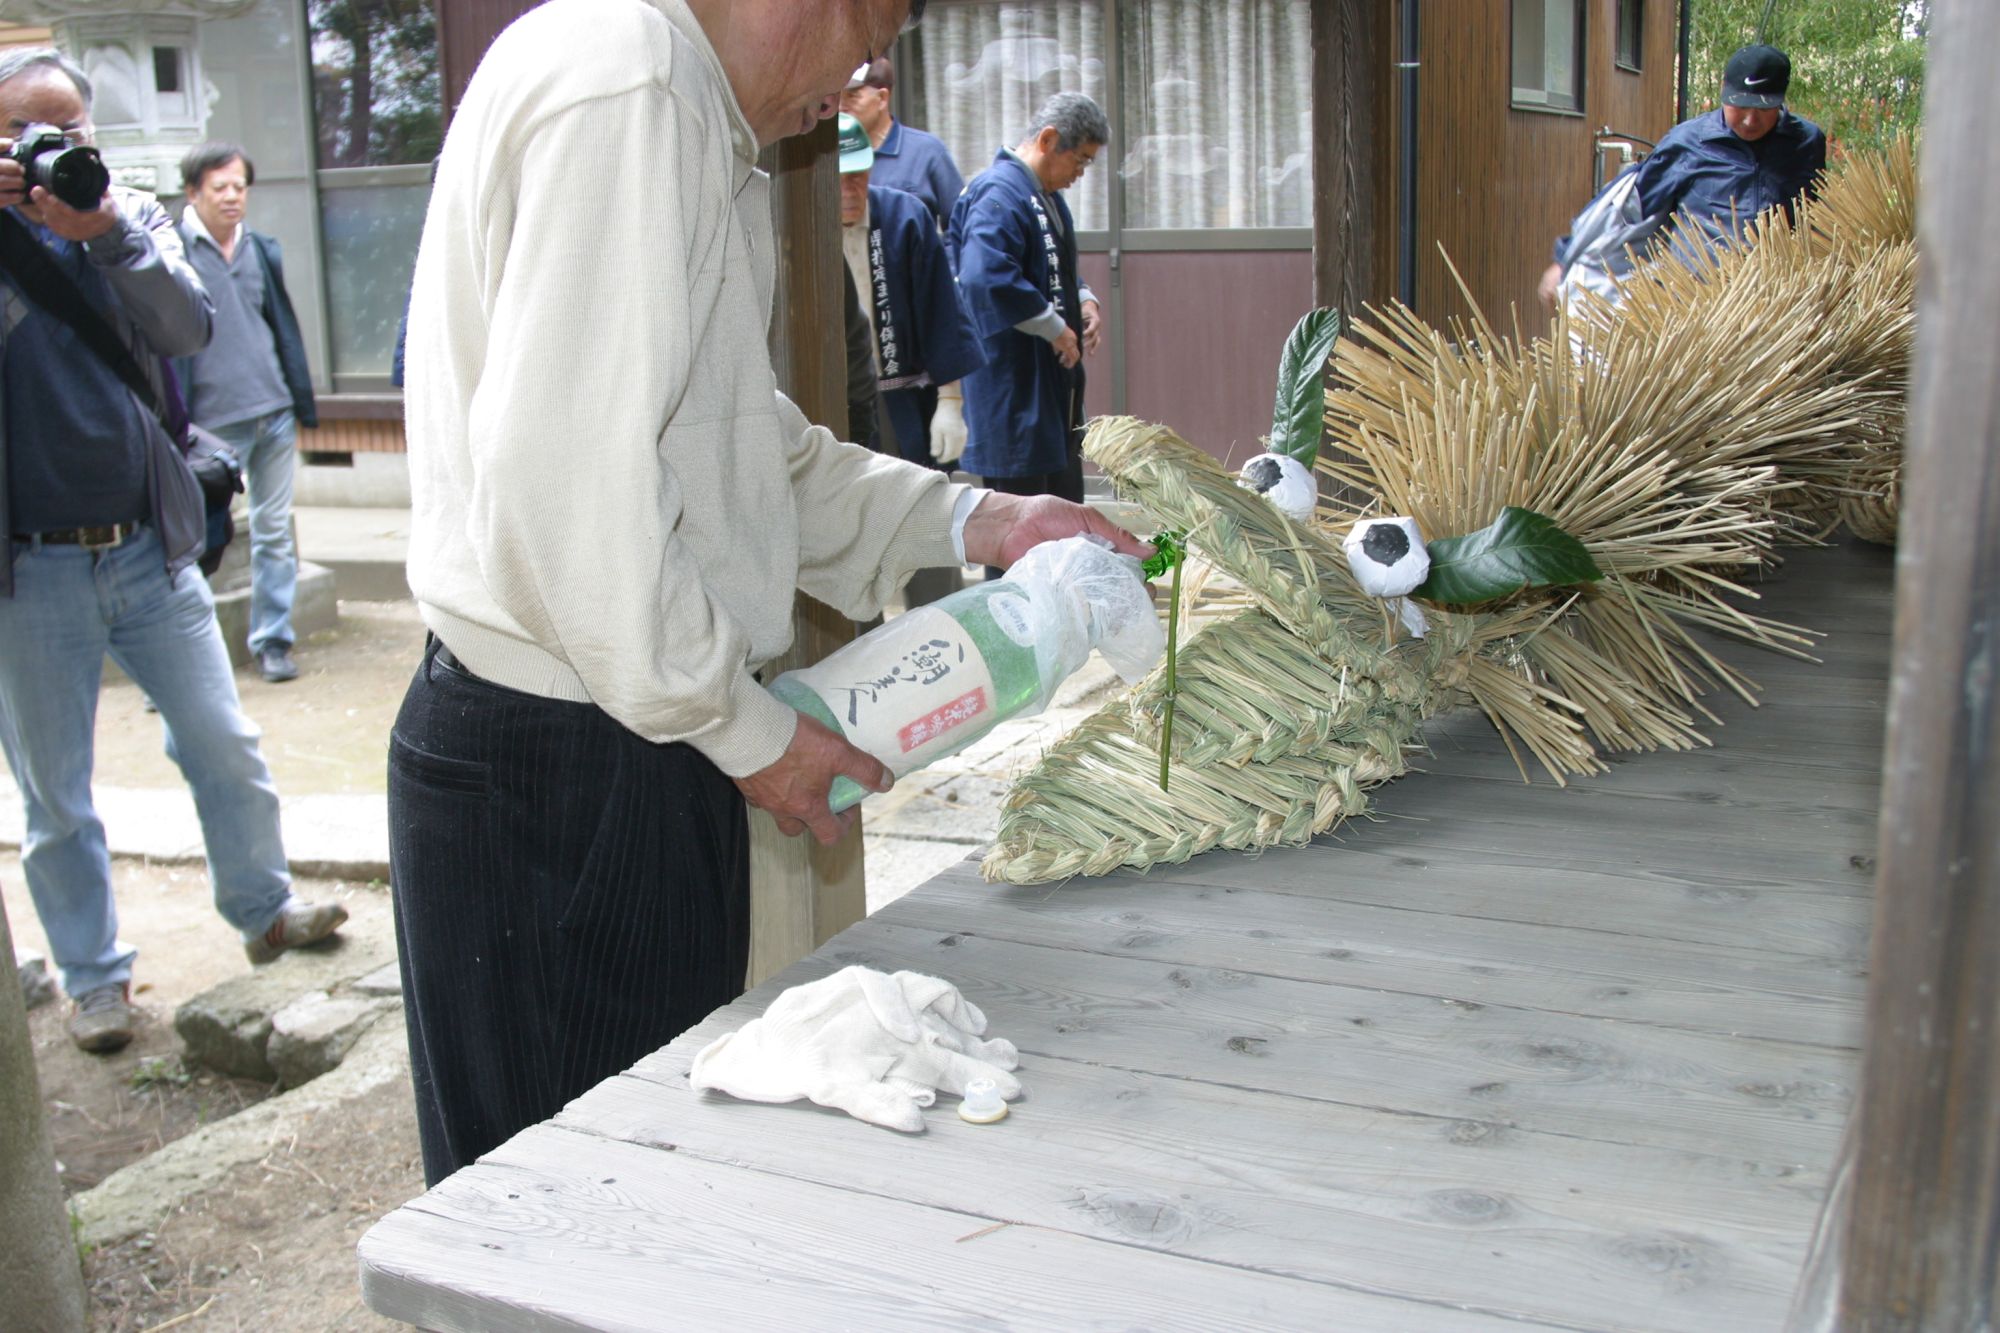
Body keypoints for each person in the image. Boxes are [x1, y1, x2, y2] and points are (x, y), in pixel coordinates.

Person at [390, 0, 1146, 1186]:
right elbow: (569, 491)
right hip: (565, 757)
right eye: (867, 25)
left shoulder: (679, 103)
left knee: (646, 1179)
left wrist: (983, 516)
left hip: (613, 739)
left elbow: (747, 455)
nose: (856, 83)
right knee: (574, 1210)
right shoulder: (631, 84)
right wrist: (744, 732)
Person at [0, 49, 346, 1055]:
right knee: (56, 796)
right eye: (28, 132)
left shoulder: (129, 219)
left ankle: (265, 908)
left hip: (150, 550)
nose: (51, 152)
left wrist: (102, 231)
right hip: (32, 570)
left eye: (70, 132)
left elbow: (186, 327)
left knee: (222, 741)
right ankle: (95, 978)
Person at [171, 142, 319, 683]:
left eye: (240, 187)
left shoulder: (262, 248)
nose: (233, 197)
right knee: (197, 542)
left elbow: (282, 328)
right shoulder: (170, 251)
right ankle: (185, 658)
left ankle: (273, 641)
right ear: (193, 192)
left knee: (273, 530)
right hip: (209, 428)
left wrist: (300, 399)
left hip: (273, 413)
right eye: (220, 188)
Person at [947, 91, 1108, 571]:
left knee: (1061, 525)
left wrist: (1083, 300)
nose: (1080, 174)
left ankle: (1060, 628)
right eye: (1079, 160)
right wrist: (1054, 327)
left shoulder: (1045, 196)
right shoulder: (999, 193)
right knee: (1018, 535)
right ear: (1048, 140)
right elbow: (985, 276)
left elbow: (1051, 269)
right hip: (1013, 393)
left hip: (1049, 397)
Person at [1539, 43, 1825, 310]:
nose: (1750, 120)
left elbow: (1817, 215)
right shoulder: (1688, 142)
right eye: (1740, 105)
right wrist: (1565, 260)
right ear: (1724, 90)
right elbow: (1626, 208)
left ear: (1781, 100)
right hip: (1695, 304)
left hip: (1775, 304)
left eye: (1763, 108)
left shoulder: (1806, 143)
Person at [838, 112, 983, 607]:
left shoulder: (904, 216)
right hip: (832, 409)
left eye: (858, 174)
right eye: (837, 179)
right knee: (845, 536)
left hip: (905, 403)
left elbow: (942, 308)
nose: (850, 189)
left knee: (926, 522)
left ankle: (942, 633)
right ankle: (852, 652)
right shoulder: (795, 228)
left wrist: (951, 400)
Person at [840, 55, 963, 228]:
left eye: (852, 96)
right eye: (838, 97)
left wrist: (938, 255)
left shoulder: (927, 151)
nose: (841, 106)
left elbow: (959, 224)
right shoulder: (833, 155)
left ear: (882, 98)